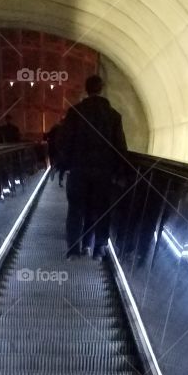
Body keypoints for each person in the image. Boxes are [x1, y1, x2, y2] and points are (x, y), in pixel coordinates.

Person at [57, 74, 127, 259]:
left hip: (79, 171)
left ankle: (73, 250)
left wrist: (63, 167)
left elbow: (66, 142)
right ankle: (97, 248)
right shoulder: (113, 116)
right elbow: (120, 146)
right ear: (101, 89)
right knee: (100, 208)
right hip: (103, 172)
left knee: (76, 209)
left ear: (86, 90)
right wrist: (120, 172)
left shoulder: (75, 112)